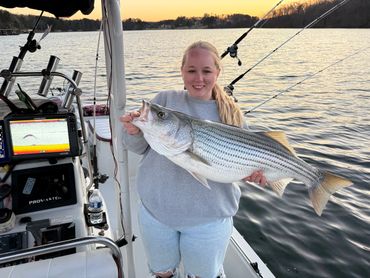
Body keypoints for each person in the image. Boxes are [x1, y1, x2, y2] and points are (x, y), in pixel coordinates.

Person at [120, 41, 266, 278]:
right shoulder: (165, 101)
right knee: (162, 273)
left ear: (218, 73)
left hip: (208, 220)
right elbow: (136, 147)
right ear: (182, 71)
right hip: (156, 213)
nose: (199, 78)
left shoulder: (232, 115)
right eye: (191, 70)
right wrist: (133, 131)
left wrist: (254, 175)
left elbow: (243, 165)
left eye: (207, 71)